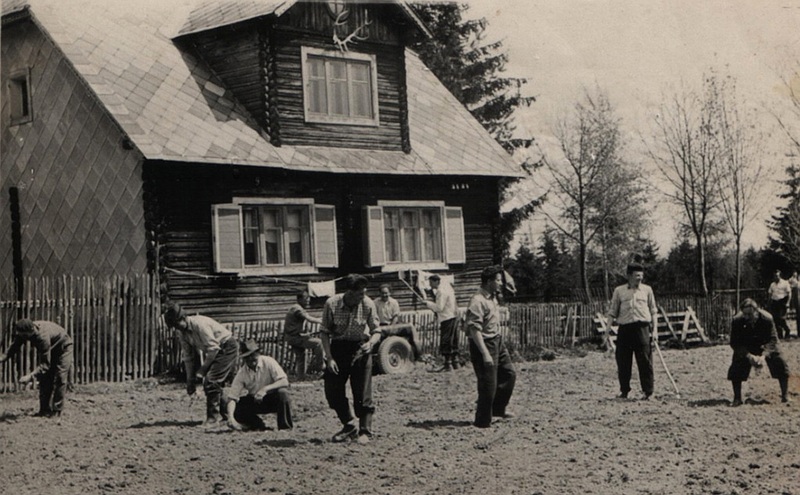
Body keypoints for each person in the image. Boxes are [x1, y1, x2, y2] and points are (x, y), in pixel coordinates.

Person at [320, 274, 381, 444]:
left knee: (362, 391)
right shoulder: (332, 304)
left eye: (364, 292)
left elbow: (377, 330)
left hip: (360, 348)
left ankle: (365, 430)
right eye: (359, 294)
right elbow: (324, 332)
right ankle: (349, 425)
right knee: (332, 391)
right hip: (338, 349)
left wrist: (371, 343)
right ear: (349, 292)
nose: (363, 296)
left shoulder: (368, 304)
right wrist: (329, 357)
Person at [163, 302, 239, 426]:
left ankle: (213, 419)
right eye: (174, 327)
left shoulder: (200, 325)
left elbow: (214, 349)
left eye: (177, 324)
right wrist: (189, 380)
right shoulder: (182, 332)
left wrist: (202, 370)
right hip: (215, 350)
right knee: (215, 382)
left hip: (227, 347)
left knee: (211, 380)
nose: (177, 328)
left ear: (183, 318)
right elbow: (188, 357)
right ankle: (226, 415)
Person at [465, 265, 516, 428]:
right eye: (498, 281)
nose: (501, 283)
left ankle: (498, 409)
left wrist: (503, 275)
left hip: (497, 342)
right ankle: (482, 420)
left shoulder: (492, 296)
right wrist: (485, 353)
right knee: (488, 384)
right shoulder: (477, 301)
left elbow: (508, 284)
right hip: (483, 344)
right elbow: (474, 329)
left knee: (509, 374)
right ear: (489, 281)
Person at [0, 319, 73, 417]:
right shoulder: (24, 332)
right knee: (45, 378)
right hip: (51, 347)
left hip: (63, 348)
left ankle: (57, 410)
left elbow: (45, 365)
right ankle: (44, 410)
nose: (22, 338)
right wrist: (2, 358)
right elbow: (13, 347)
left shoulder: (42, 337)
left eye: (23, 336)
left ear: (30, 331)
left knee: (60, 376)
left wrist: (30, 376)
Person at [607, 261, 658, 400]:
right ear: (629, 276)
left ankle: (648, 392)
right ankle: (624, 391)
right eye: (636, 275)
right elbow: (612, 312)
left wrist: (655, 331)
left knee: (645, 362)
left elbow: (653, 311)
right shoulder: (619, 291)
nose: (640, 278)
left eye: (641, 275)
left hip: (642, 329)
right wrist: (607, 332)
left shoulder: (647, 290)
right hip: (625, 330)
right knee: (623, 362)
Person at [727, 298, 791, 406]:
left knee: (780, 360)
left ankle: (785, 395)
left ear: (757, 311)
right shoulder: (737, 320)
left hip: (765, 344)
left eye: (750, 314)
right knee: (737, 363)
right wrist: (748, 355)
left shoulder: (767, 318)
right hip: (747, 345)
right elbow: (735, 343)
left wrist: (763, 356)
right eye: (745, 315)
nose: (747, 317)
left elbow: (773, 340)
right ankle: (737, 398)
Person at [225, 340, 294, 431]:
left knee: (283, 393)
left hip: (273, 399)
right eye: (247, 357)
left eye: (253, 355)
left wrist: (265, 389)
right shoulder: (242, 373)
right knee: (235, 406)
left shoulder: (269, 362)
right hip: (256, 400)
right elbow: (232, 397)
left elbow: (284, 381)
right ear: (243, 359)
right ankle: (258, 425)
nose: (250, 359)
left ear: (258, 353)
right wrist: (231, 418)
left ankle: (285, 428)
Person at [283, 290, 324, 378]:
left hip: (292, 337)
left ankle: (300, 377)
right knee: (318, 343)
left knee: (301, 355)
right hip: (294, 337)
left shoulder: (295, 307)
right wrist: (322, 321)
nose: (308, 300)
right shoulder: (297, 309)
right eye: (306, 298)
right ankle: (321, 368)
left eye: (309, 298)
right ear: (300, 299)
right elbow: (309, 318)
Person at [423, 274, 459, 371]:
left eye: (431, 282)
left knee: (446, 341)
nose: (430, 285)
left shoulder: (440, 291)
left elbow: (439, 307)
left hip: (446, 318)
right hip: (453, 316)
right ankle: (456, 363)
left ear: (437, 281)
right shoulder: (448, 288)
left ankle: (448, 365)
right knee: (453, 340)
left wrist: (428, 304)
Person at [767, 270, 792, 340]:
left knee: (781, 318)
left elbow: (789, 294)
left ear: (780, 275)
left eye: (777, 276)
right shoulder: (772, 284)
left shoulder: (785, 283)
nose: (776, 277)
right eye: (775, 276)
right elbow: (770, 294)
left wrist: (788, 303)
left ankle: (787, 330)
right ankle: (780, 334)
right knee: (775, 319)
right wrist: (768, 303)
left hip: (782, 301)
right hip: (775, 302)